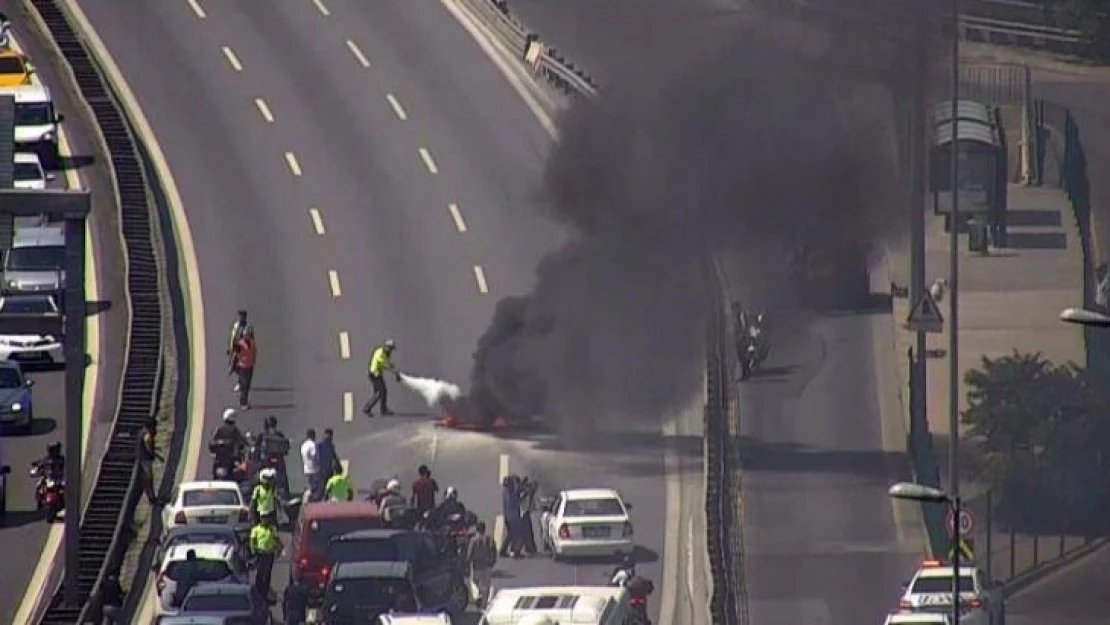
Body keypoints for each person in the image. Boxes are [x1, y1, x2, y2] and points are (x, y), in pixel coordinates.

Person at [250, 514, 283, 602]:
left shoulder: (272, 529)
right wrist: (253, 551)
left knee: (267, 573)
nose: (265, 520)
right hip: (260, 554)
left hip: (269, 554)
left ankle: (265, 592)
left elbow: (277, 540)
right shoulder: (256, 529)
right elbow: (252, 542)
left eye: (267, 517)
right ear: (260, 519)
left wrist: (279, 549)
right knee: (260, 573)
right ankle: (258, 591)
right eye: (263, 518)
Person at [466, 520, 498, 609]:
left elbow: (470, 553)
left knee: (474, 582)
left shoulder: (473, 540)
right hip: (487, 566)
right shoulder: (490, 539)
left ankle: (478, 596)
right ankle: (484, 604)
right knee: (486, 585)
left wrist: (467, 563)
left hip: (476, 566)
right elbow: (494, 552)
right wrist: (492, 562)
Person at [362, 339, 398, 417]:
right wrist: (395, 373)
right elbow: (384, 364)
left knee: (382, 391)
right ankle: (367, 408)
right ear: (387, 347)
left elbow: (385, 363)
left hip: (377, 373)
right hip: (374, 374)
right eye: (391, 348)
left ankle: (383, 410)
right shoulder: (381, 353)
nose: (391, 350)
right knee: (380, 392)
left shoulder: (385, 352)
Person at [136, 418, 163, 506]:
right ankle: (152, 499)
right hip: (146, 460)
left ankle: (152, 498)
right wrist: (154, 455)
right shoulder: (147, 435)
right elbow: (149, 448)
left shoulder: (141, 432)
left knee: (147, 479)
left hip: (141, 459)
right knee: (149, 479)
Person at [231, 325, 257, 409]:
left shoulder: (252, 343)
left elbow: (254, 352)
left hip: (250, 366)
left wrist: (253, 361)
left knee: (247, 385)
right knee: (245, 386)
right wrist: (232, 367)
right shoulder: (240, 344)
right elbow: (235, 355)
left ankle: (244, 399)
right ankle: (243, 402)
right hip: (243, 367)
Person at [228, 310, 248, 391]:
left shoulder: (247, 327)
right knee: (234, 367)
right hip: (235, 348)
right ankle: (242, 380)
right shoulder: (236, 325)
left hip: (242, 351)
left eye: (242, 316)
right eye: (239, 316)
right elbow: (233, 336)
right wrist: (230, 347)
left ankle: (241, 382)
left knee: (238, 367)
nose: (240, 318)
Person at [300, 428, 321, 501]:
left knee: (310, 486)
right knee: (316, 487)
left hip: (306, 469)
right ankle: (314, 500)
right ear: (312, 435)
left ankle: (306, 500)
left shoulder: (303, 445)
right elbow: (315, 456)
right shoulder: (312, 444)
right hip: (314, 469)